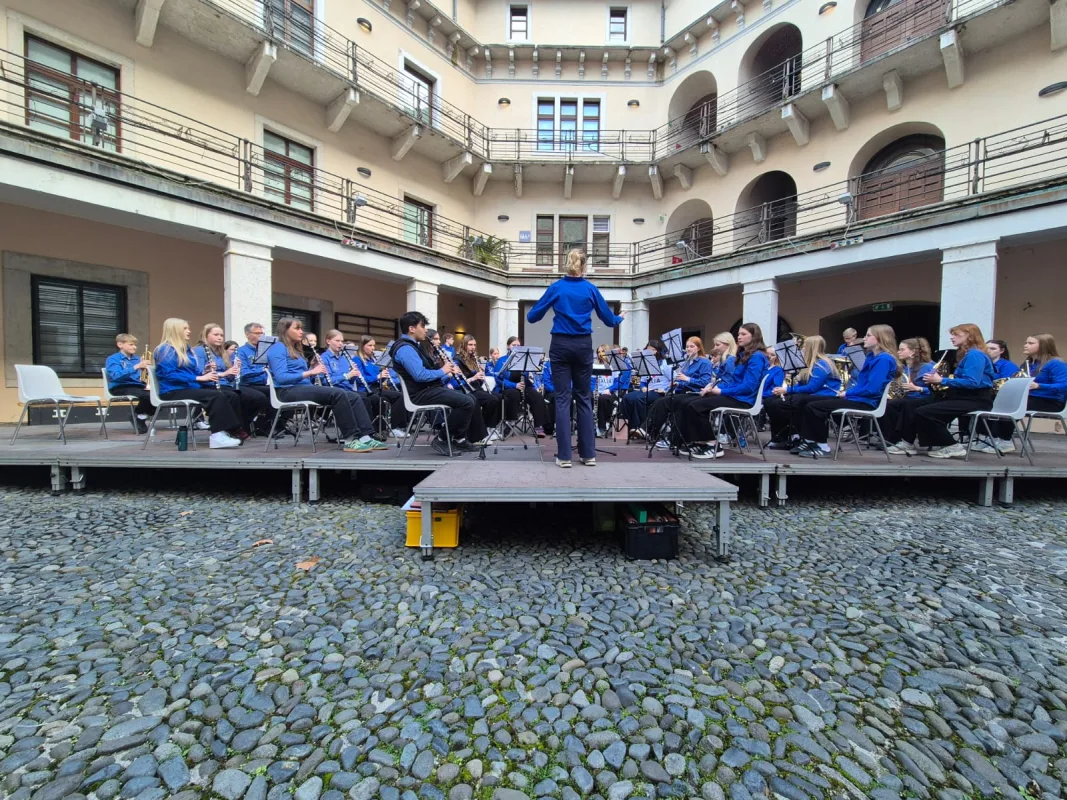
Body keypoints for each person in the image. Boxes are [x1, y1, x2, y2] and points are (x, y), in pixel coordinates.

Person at [526, 248, 624, 468]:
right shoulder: (590, 289)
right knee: (584, 398)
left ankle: (564, 457)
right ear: (584, 266)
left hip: (560, 345)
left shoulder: (556, 288)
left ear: (566, 264)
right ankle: (588, 455)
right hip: (583, 346)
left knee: (562, 399)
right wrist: (619, 318)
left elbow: (532, 317)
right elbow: (609, 320)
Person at [268, 317, 387, 454]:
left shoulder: (295, 349)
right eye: (297, 328)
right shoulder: (278, 348)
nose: (301, 332)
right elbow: (281, 378)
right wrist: (310, 372)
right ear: (285, 330)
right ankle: (350, 439)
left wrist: (313, 368)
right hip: (286, 391)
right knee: (337, 393)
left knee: (353, 396)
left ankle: (366, 437)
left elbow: (303, 376)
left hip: (302, 388)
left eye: (301, 328)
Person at [388, 311, 486, 455]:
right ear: (412, 328)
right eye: (422, 326)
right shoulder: (405, 349)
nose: (425, 330)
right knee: (466, 402)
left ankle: (458, 439)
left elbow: (426, 373)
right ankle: (442, 439)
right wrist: (443, 370)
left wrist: (445, 371)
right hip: (420, 394)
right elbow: (420, 376)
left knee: (471, 398)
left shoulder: (412, 346)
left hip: (427, 390)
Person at [794, 325, 898, 459]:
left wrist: (847, 393)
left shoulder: (883, 359)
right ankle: (809, 441)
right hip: (857, 398)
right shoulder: (872, 356)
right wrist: (848, 392)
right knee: (805, 400)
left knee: (814, 407)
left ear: (880, 338)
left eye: (868, 335)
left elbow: (872, 389)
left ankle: (822, 447)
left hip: (866, 402)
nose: (864, 338)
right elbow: (864, 384)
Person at [680, 323, 770, 459]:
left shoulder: (757, 357)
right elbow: (735, 383)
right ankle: (699, 441)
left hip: (744, 400)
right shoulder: (744, 355)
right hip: (736, 396)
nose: (739, 337)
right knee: (689, 402)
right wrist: (715, 389)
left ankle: (713, 445)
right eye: (738, 334)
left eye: (743, 334)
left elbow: (748, 387)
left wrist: (721, 392)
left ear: (754, 336)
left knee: (696, 406)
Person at [153, 318, 244, 449]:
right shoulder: (165, 349)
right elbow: (168, 374)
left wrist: (204, 371)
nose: (189, 331)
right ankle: (217, 436)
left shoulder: (186, 349)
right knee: (216, 396)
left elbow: (190, 371)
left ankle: (230, 431)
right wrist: (199, 378)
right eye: (185, 328)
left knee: (230, 395)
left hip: (187, 387)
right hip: (172, 390)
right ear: (175, 330)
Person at [915, 323, 996, 458]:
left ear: (969, 337)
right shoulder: (970, 354)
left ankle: (951, 445)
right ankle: (935, 442)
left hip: (976, 399)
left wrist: (942, 380)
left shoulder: (975, 355)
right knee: (919, 407)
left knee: (925, 412)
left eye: (956, 335)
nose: (952, 338)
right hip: (966, 397)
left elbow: (972, 382)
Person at [984, 334, 1067, 453]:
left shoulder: (1055, 363)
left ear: (1043, 346)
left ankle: (1005, 440)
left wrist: (1039, 386)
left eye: (1031, 343)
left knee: (1010, 405)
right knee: (994, 401)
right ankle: (992, 438)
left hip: (1051, 401)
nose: (1025, 345)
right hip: (1030, 398)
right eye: (1026, 342)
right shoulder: (1029, 363)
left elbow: (1064, 385)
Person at [194, 323, 271, 439]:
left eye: (221, 335)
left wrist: (234, 369)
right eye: (216, 335)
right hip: (208, 385)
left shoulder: (221, 352)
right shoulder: (200, 351)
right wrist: (223, 373)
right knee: (233, 396)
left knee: (257, 398)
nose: (220, 338)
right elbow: (199, 373)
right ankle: (232, 429)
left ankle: (242, 425)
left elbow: (229, 378)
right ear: (206, 336)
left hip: (226, 384)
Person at [766, 335, 841, 449]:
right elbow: (802, 385)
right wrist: (785, 390)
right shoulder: (809, 364)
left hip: (824, 395)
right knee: (770, 401)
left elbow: (812, 388)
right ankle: (781, 437)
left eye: (804, 346)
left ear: (811, 348)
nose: (801, 349)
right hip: (811, 394)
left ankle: (796, 434)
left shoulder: (822, 364)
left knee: (793, 401)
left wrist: (787, 390)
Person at [644, 337, 712, 449]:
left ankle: (671, 439)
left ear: (699, 348)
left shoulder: (704, 362)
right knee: (660, 401)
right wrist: (677, 383)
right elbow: (683, 382)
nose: (688, 349)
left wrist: (687, 379)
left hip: (696, 393)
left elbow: (705, 382)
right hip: (685, 392)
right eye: (687, 346)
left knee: (672, 403)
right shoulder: (687, 362)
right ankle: (650, 431)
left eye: (692, 346)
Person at [883, 337, 937, 455]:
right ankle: (892, 439)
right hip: (908, 398)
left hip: (923, 398)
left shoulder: (927, 367)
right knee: (888, 404)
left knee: (904, 405)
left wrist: (917, 388)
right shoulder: (904, 368)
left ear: (912, 352)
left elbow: (935, 390)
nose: (898, 352)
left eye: (902, 349)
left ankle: (906, 442)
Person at [494, 336, 550, 438]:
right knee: (513, 395)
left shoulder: (524, 359)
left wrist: (530, 383)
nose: (516, 347)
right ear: (508, 346)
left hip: (523, 385)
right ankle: (510, 423)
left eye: (518, 345)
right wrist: (514, 385)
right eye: (513, 345)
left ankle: (539, 425)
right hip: (507, 387)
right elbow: (497, 378)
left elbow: (527, 376)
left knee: (537, 396)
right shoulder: (502, 360)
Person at [354, 335, 407, 437]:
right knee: (379, 400)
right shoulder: (357, 360)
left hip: (376, 388)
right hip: (365, 390)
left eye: (374, 345)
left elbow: (379, 379)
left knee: (399, 396)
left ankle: (396, 427)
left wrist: (384, 376)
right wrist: (378, 376)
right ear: (362, 346)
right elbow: (360, 379)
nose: (373, 348)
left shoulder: (373, 360)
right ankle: (378, 429)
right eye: (370, 345)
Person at [619, 339, 669, 439]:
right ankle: (630, 428)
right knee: (627, 398)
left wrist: (666, 389)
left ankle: (642, 428)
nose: (648, 352)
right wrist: (643, 387)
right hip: (648, 390)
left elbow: (674, 379)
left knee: (640, 399)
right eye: (647, 349)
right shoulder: (645, 364)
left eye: (651, 350)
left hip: (659, 391)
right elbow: (643, 381)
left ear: (656, 351)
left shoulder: (664, 363)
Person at [105, 333, 153, 433]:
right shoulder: (113, 359)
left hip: (137, 386)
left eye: (135, 345)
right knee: (147, 396)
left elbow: (140, 377)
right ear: (120, 345)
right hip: (120, 386)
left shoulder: (137, 359)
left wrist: (148, 370)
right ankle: (139, 415)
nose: (134, 347)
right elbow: (116, 375)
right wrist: (136, 367)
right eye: (131, 344)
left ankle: (139, 416)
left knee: (159, 395)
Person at [456, 336, 503, 437]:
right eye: (470, 345)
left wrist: (481, 375)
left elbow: (479, 383)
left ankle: (492, 426)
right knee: (492, 400)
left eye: (474, 345)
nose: (473, 347)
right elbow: (459, 381)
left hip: (477, 388)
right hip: (467, 390)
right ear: (464, 345)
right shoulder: (458, 360)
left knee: (499, 397)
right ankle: (484, 428)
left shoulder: (473, 359)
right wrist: (474, 377)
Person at [235, 322, 270, 402]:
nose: (260, 336)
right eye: (257, 333)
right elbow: (243, 372)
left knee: (281, 392)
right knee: (266, 395)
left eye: (262, 333)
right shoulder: (241, 351)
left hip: (264, 384)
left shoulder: (265, 351)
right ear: (247, 335)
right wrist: (263, 369)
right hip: (247, 385)